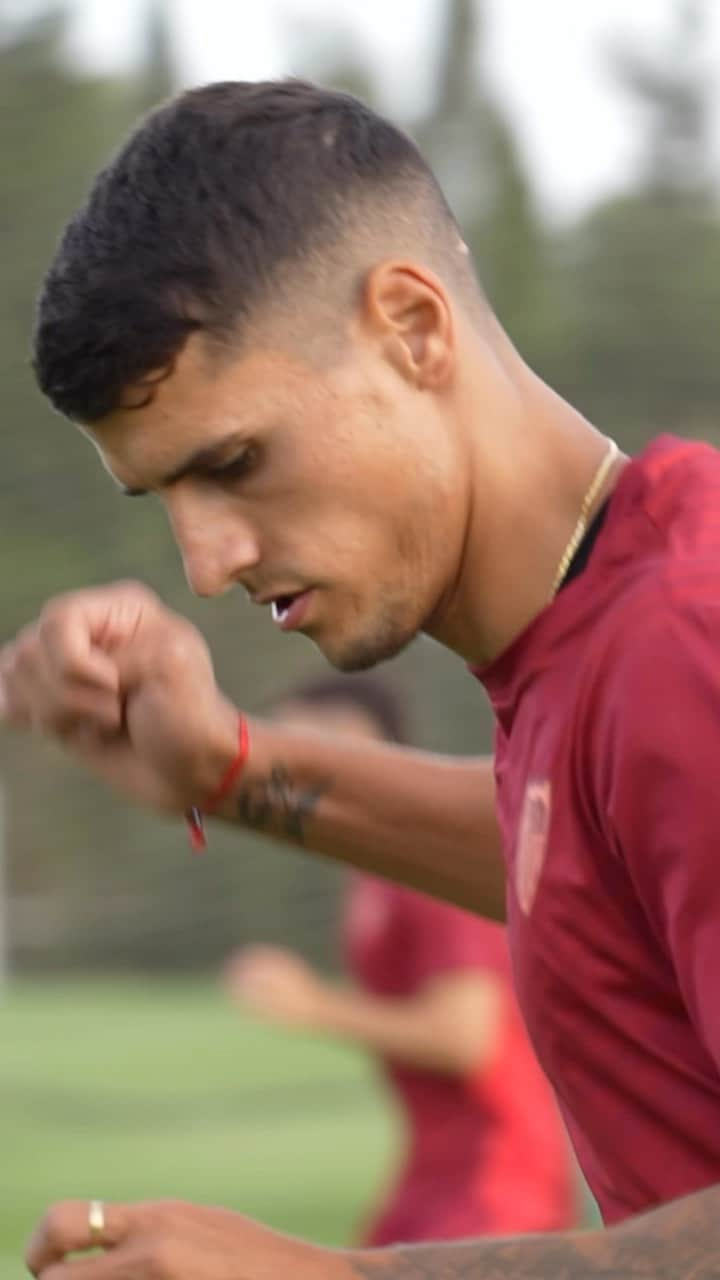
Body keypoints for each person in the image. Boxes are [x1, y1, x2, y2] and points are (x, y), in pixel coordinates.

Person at [2, 79, 720, 1277]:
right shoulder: (599, 639)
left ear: (412, 328)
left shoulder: (685, 638)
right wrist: (226, 768)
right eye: (164, 499)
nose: (205, 559)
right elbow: (597, 858)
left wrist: (328, 1276)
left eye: (235, 461)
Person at [225, 675, 576, 1245]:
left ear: (354, 744)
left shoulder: (426, 867)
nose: (272, 778)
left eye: (289, 752)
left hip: (497, 1185)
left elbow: (467, 1036)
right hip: (434, 1177)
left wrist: (313, 1005)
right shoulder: (373, 875)